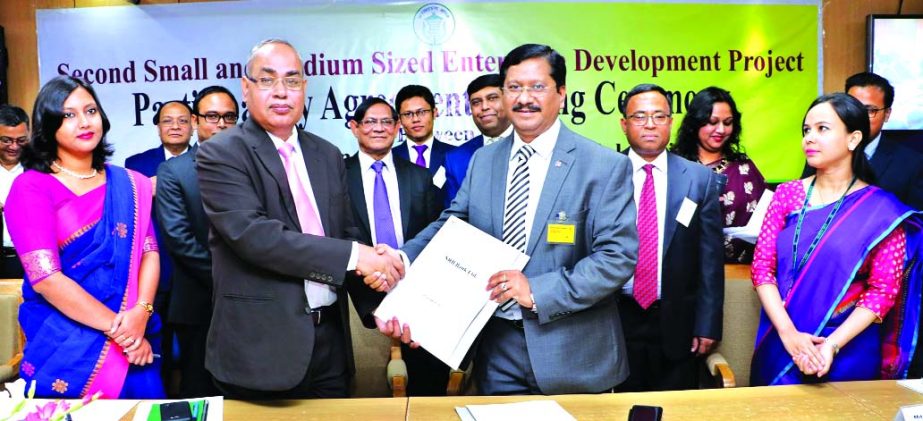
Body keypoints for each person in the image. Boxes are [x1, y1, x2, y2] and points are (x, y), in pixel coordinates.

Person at [380, 44, 638, 395]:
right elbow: (453, 223)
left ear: (561, 93)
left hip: (574, 357)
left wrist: (536, 290)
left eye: (537, 87)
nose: (524, 98)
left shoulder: (603, 165)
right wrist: (402, 258)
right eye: (514, 87)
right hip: (497, 354)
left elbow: (616, 259)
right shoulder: (484, 161)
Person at [195, 39, 403, 399]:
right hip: (259, 352)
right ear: (246, 88)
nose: (281, 93)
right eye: (267, 80)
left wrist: (383, 307)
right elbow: (256, 237)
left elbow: (346, 231)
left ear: (304, 89)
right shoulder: (221, 153)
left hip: (330, 347)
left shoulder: (327, 154)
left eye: (292, 81)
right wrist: (359, 256)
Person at [6, 76, 164, 398]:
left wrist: (141, 313)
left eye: (90, 110)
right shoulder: (31, 187)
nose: (84, 122)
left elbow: (149, 251)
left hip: (136, 333)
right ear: (48, 125)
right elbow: (46, 278)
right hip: (68, 344)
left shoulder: (128, 185)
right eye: (68, 115)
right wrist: (123, 332)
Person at [750, 93, 922, 386]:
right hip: (780, 341)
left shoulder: (882, 211)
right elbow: (762, 268)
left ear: (853, 139)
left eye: (822, 129)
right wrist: (788, 334)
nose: (809, 138)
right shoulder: (786, 195)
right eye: (806, 130)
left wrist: (831, 345)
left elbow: (882, 291)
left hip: (848, 350)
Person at [616, 84, 725, 392]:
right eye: (639, 116)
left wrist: (708, 325)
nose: (650, 124)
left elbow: (710, 261)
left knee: (677, 409)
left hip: (678, 319)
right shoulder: (604, 173)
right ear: (624, 124)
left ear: (671, 121)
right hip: (617, 316)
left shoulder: (699, 179)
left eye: (658, 116)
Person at [344, 97, 445, 395]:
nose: (379, 128)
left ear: (397, 127)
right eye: (370, 122)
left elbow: (433, 234)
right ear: (354, 127)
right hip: (357, 296)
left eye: (386, 121)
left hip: (416, 295)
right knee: (368, 393)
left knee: (426, 387)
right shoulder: (336, 175)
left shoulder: (419, 177)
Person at [154, 85, 238, 398]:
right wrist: (227, 278)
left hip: (254, 302)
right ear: (195, 120)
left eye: (229, 117)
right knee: (199, 389)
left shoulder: (257, 165)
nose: (221, 124)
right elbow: (179, 239)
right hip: (199, 300)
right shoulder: (173, 171)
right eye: (212, 116)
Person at [672, 87, 767, 263]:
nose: (721, 130)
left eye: (728, 122)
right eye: (713, 122)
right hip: (684, 274)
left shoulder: (744, 168)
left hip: (739, 274)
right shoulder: (675, 166)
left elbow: (768, 222)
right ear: (695, 123)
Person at [443, 74, 512, 206]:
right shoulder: (456, 158)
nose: (484, 106)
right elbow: (453, 215)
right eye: (476, 102)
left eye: (492, 98)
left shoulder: (531, 143)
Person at [391, 85, 456, 179]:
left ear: (434, 113)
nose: (415, 119)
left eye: (422, 112)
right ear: (399, 119)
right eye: (408, 114)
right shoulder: (390, 157)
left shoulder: (454, 155)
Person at [0, 104, 29, 278]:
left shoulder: (42, 170)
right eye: (6, 140)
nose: (14, 146)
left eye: (21, 140)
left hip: (30, 260)